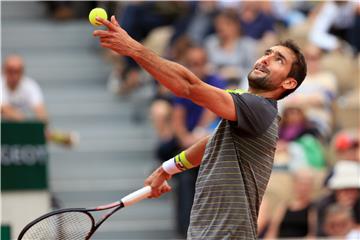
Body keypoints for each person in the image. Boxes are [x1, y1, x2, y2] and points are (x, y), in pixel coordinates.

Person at [93, 16, 306, 239]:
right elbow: (213, 142)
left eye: (278, 59)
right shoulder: (248, 112)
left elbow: (188, 86)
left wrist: (134, 49)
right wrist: (167, 169)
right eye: (267, 53)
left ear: (289, 83)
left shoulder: (260, 108)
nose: (265, 59)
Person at [1, 54, 77, 147]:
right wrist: (32, 128)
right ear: (4, 70)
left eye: (17, 71)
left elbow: (41, 112)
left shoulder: (30, 86)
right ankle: (57, 137)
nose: (14, 75)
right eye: (10, 71)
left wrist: (40, 126)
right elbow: (5, 110)